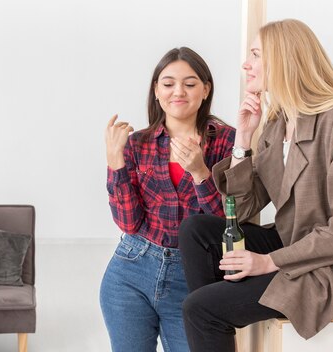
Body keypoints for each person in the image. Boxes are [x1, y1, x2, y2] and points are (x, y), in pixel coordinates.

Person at [179, 19, 333, 352]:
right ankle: (216, 323)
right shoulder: (278, 124)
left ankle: (213, 317)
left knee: (201, 308)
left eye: (255, 55)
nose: (245, 65)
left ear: (283, 59)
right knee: (197, 230)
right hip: (295, 242)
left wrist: (267, 262)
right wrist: (243, 138)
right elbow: (243, 210)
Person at [100, 47, 236, 352]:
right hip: (130, 271)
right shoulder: (137, 144)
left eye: (189, 84)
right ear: (156, 91)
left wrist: (201, 172)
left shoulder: (228, 142)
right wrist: (114, 162)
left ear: (205, 90)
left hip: (194, 277)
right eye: (168, 83)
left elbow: (226, 222)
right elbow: (129, 222)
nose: (179, 92)